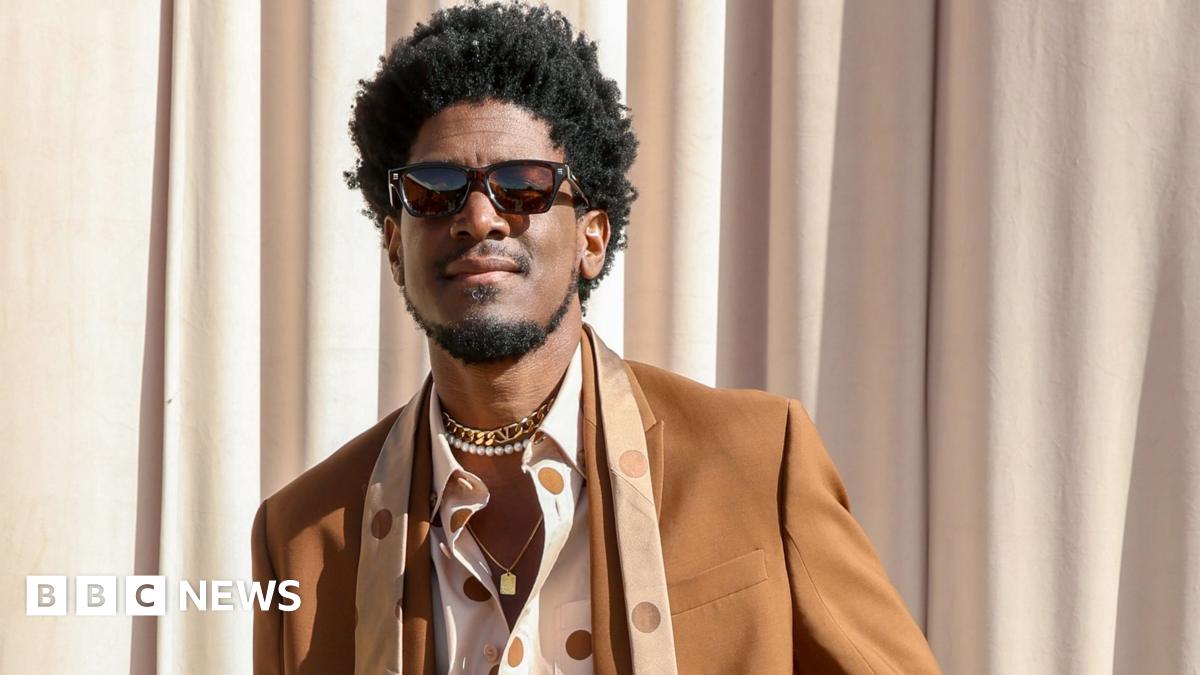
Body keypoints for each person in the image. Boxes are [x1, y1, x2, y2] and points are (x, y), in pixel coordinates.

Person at [251, 2, 941, 673]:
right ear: (395, 245)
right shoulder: (304, 535)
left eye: (523, 185)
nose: (480, 216)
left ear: (591, 236)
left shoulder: (756, 462)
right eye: (436, 188)